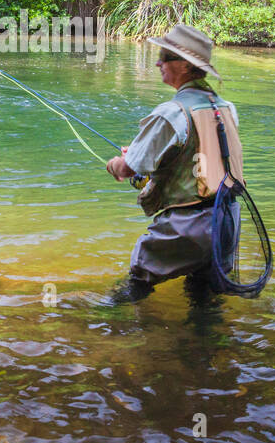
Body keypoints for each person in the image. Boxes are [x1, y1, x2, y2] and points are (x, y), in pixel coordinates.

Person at [104, 24, 244, 304]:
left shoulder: (171, 113)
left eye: (164, 57)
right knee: (204, 298)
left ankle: (102, 328)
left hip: (189, 226)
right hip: (228, 219)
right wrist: (144, 153)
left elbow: (128, 169)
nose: (158, 62)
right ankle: (209, 345)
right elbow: (200, 155)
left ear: (183, 65)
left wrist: (115, 164)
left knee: (136, 283)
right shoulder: (226, 108)